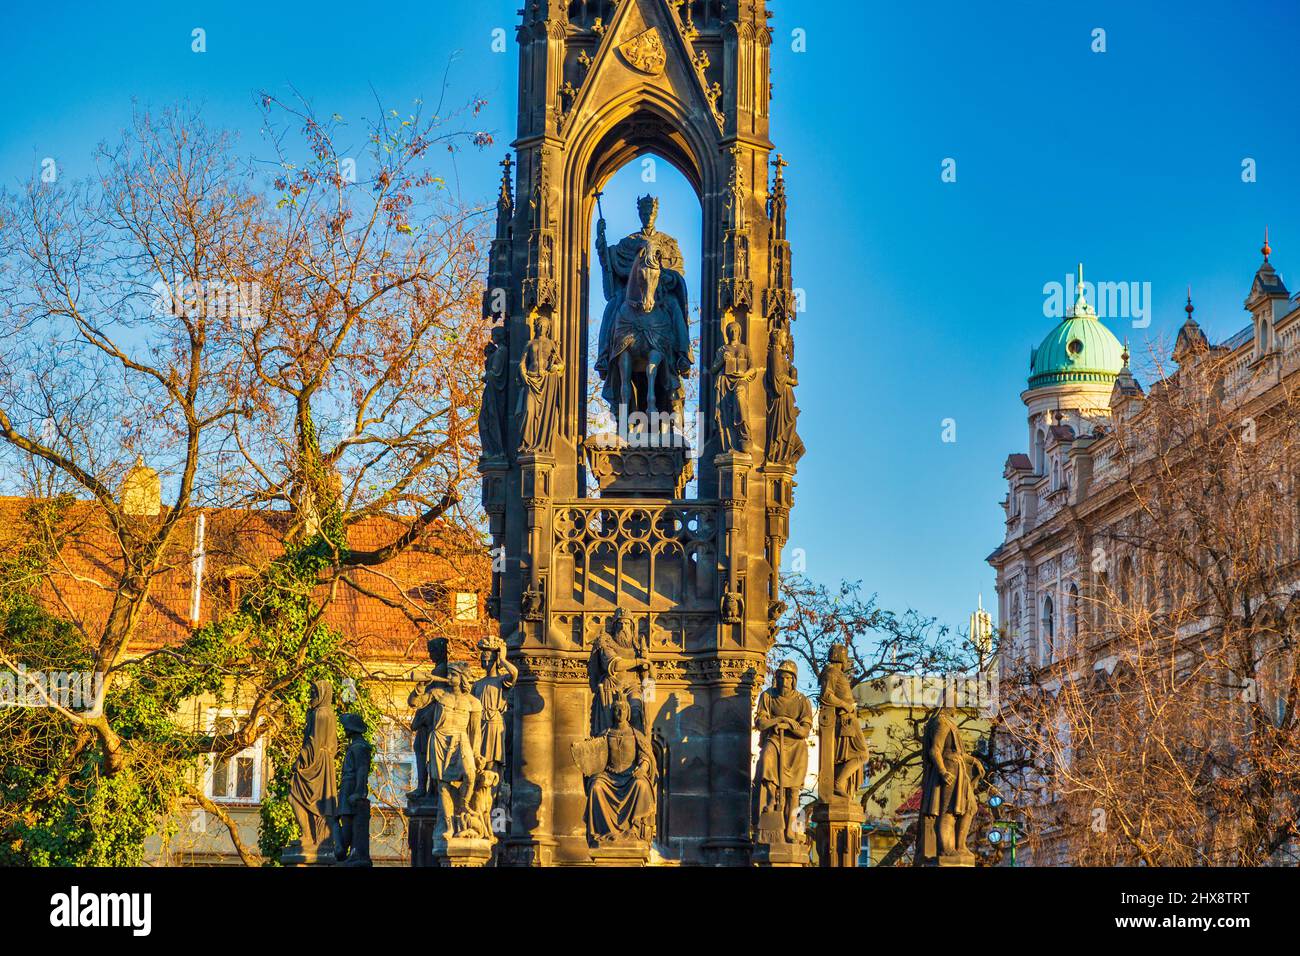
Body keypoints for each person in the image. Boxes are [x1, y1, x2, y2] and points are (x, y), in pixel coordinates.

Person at [754, 660, 813, 843]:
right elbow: (761, 723)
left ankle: (792, 829)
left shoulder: (802, 701)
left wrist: (787, 725)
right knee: (767, 758)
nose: (784, 682)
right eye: (780, 677)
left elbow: (804, 730)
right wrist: (780, 719)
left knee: (794, 791)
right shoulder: (768, 696)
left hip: (796, 748)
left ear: (794, 680)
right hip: (775, 741)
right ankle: (771, 799)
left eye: (788, 678)